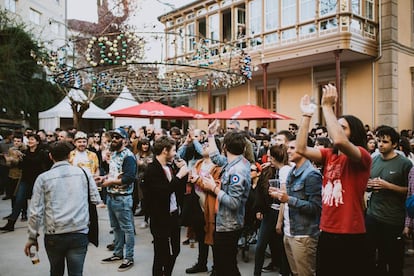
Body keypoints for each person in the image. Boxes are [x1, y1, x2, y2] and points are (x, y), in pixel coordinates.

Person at [296, 84, 372, 276]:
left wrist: (327, 107)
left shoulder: (361, 155)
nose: (335, 129)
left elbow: (339, 140)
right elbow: (301, 149)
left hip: (350, 233)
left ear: (353, 133)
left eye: (342, 127)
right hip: (327, 229)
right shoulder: (329, 154)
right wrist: (306, 116)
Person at [23, 141, 101, 276]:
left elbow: (35, 212)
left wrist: (32, 237)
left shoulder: (43, 178)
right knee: (77, 273)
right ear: (70, 155)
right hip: (79, 231)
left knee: (56, 271)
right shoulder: (84, 173)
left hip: (54, 234)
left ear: (50, 156)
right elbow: (95, 199)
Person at [203, 120, 251, 275]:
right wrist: (211, 134)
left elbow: (234, 202)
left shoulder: (237, 170)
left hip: (229, 225)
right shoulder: (236, 162)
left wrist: (214, 188)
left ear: (225, 147)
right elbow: (216, 158)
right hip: (226, 222)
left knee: (226, 266)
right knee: (226, 265)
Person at [270, 139, 322, 276]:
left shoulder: (311, 174)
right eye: (288, 148)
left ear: (305, 150)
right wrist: (280, 196)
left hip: (303, 235)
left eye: (292, 148)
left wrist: (288, 199)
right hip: (290, 231)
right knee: (296, 273)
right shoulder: (292, 170)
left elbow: (316, 208)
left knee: (306, 273)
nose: (288, 151)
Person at [365, 125, 412, 275]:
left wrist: (388, 186)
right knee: (371, 259)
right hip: (373, 216)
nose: (380, 144)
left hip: (393, 219)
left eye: (385, 142)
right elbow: (367, 184)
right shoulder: (374, 160)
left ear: (394, 144)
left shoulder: (405, 164)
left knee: (394, 261)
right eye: (378, 141)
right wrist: (368, 185)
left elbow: (410, 192)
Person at [143, 135, 189, 276]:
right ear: (165, 151)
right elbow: (164, 192)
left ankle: (167, 273)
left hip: (173, 214)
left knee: (176, 250)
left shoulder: (169, 167)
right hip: (160, 217)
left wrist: (184, 174)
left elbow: (177, 189)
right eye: (174, 150)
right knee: (160, 254)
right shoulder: (152, 170)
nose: (175, 153)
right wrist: (180, 176)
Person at [97, 128, 137, 272]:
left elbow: (129, 178)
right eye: (113, 136)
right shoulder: (113, 154)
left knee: (127, 229)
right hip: (111, 197)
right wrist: (104, 178)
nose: (113, 139)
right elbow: (114, 174)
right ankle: (118, 253)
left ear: (125, 141)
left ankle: (129, 257)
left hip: (123, 198)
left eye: (117, 137)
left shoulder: (129, 156)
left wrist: (111, 182)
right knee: (116, 228)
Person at [184, 132, 222, 274]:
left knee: (212, 238)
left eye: (207, 144)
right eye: (204, 144)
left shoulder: (218, 167)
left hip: (210, 207)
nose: (204, 146)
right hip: (197, 206)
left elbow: (215, 188)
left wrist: (198, 180)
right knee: (201, 237)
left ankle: (217, 267)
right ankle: (201, 263)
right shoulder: (198, 163)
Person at [253, 145, 292, 276]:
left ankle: (283, 270)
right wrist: (259, 209)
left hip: (283, 212)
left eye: (270, 156)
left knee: (283, 246)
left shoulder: (287, 170)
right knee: (260, 245)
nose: (268, 158)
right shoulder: (267, 171)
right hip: (269, 211)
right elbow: (259, 190)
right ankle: (256, 273)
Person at [1, 134, 52, 232]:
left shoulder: (41, 152)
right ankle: (11, 223)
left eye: (32, 139)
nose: (30, 141)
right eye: (29, 140)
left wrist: (23, 157)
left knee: (42, 202)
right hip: (25, 180)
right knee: (18, 200)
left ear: (37, 142)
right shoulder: (25, 152)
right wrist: (17, 160)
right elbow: (21, 166)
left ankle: (48, 223)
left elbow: (36, 162)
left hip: (38, 181)